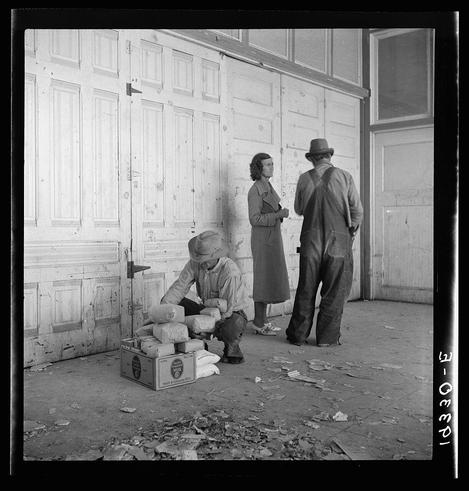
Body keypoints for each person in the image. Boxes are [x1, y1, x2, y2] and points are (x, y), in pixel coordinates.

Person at [286, 138, 363, 347]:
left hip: (311, 241)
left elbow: (299, 209)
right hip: (338, 242)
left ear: (312, 159)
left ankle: (298, 336)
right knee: (334, 291)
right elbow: (358, 212)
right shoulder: (344, 177)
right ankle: (327, 339)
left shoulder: (304, 179)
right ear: (329, 156)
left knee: (306, 289)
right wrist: (351, 232)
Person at [160, 230, 249, 364]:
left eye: (205, 259)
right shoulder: (194, 264)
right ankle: (197, 344)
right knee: (177, 307)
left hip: (231, 312)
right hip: (207, 308)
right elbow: (179, 287)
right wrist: (163, 310)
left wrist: (208, 329)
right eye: (199, 259)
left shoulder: (229, 271)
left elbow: (227, 308)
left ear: (216, 255)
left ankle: (232, 347)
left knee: (232, 326)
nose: (201, 262)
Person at [247, 153, 290, 336]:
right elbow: (254, 218)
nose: (271, 167)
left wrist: (279, 213)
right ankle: (258, 322)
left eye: (272, 164)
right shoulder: (255, 189)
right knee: (263, 280)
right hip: (262, 240)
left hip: (273, 238)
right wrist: (278, 215)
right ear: (259, 167)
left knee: (271, 278)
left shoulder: (268, 186)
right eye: (267, 165)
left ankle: (263, 320)